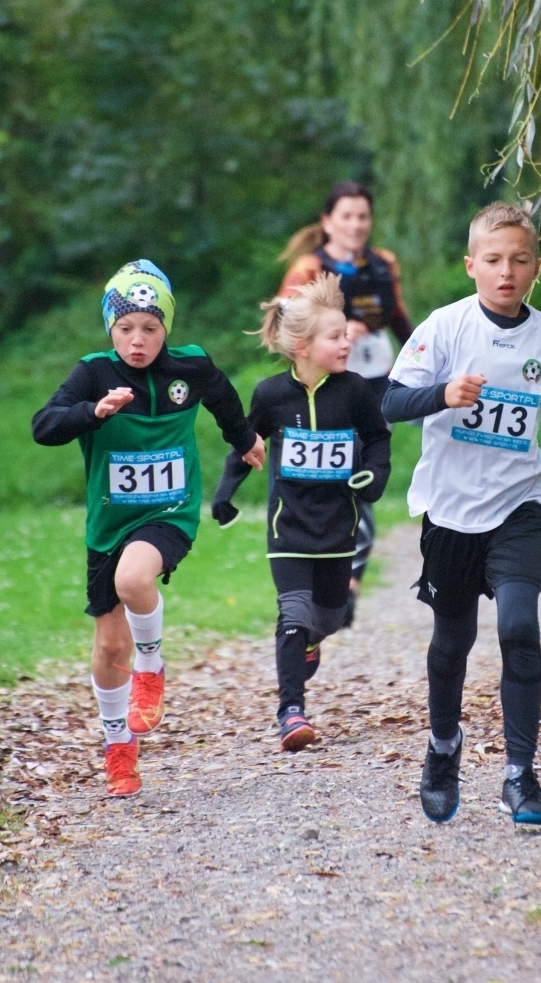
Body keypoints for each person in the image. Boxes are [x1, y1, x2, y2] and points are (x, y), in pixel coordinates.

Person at [382, 202, 541, 830]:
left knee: (518, 626)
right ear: (471, 265)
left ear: (535, 267)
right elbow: (390, 401)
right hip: (451, 509)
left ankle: (520, 776)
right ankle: (443, 748)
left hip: (519, 503)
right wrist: (442, 395)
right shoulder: (445, 328)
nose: (507, 271)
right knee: (453, 641)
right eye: (495, 260)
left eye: (520, 260)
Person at [33, 260, 264, 797]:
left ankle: (153, 668)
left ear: (168, 328)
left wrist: (244, 438)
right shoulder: (93, 373)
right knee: (110, 646)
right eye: (125, 329)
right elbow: (44, 426)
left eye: (150, 328)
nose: (138, 341)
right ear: (110, 330)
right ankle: (119, 750)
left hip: (169, 512)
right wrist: (94, 411)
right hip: (108, 523)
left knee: (135, 580)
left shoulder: (190, 367)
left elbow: (225, 399)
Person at [210, 275, 392, 750]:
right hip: (287, 529)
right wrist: (226, 494)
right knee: (292, 612)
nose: (347, 340)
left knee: (328, 617)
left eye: (345, 332)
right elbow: (246, 446)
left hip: (337, 530)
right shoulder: (271, 396)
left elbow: (378, 439)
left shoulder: (353, 391)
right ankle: (291, 711)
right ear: (302, 346)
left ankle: (311, 640)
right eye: (335, 336)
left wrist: (375, 474)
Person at [278, 182, 412, 623]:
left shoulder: (383, 264)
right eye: (347, 216)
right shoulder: (308, 267)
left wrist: (428, 365)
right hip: (322, 388)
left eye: (363, 217)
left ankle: (349, 585)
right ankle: (318, 581)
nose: (356, 225)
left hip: (373, 385)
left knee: (362, 482)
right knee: (324, 482)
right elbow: (283, 330)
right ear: (327, 221)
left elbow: (398, 319)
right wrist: (335, 332)